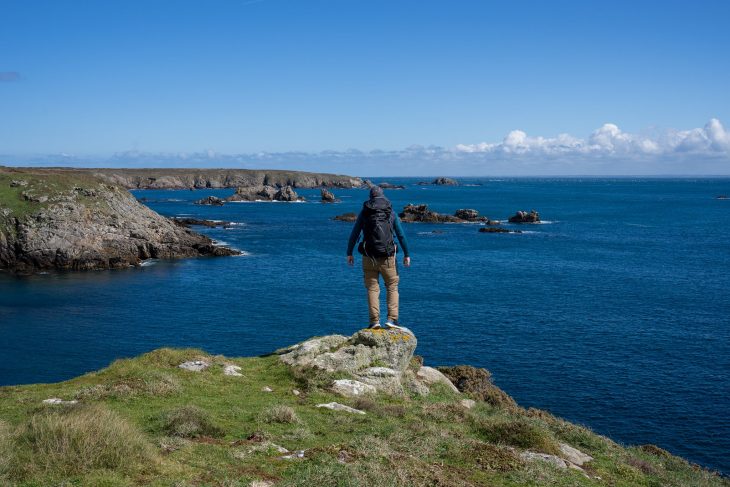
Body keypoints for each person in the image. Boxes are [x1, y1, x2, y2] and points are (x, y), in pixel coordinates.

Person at [347, 186, 411, 329]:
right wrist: (406, 254)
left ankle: (374, 321)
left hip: (368, 257)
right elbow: (401, 235)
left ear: (371, 197)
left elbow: (355, 234)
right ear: (383, 197)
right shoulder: (390, 213)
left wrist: (349, 253)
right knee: (392, 287)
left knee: (372, 288)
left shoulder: (364, 212)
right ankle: (392, 319)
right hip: (388, 257)